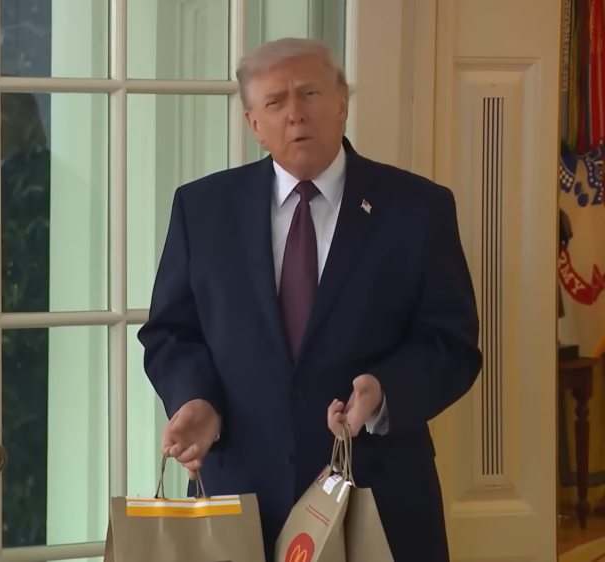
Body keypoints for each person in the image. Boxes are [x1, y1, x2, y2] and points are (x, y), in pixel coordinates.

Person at [138, 38, 481, 562]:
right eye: (275, 102)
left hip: (380, 500)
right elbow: (171, 333)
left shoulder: (418, 208)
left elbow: (451, 344)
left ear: (342, 102)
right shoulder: (202, 208)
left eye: (310, 94)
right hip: (239, 505)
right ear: (254, 123)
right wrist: (197, 400)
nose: (295, 113)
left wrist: (385, 392)